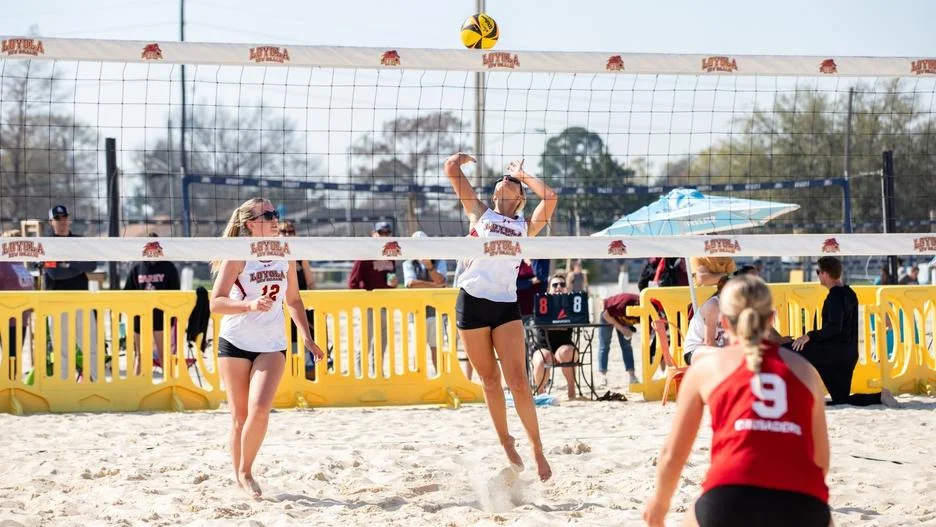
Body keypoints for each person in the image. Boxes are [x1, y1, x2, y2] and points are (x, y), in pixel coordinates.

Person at [644, 275, 832, 527]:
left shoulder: (707, 367)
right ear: (772, 317)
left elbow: (673, 455)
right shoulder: (805, 370)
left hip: (731, 493)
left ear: (724, 322)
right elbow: (821, 459)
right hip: (803, 500)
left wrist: (659, 505)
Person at [445, 152, 557, 482]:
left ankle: (537, 448)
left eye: (513, 184)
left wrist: (523, 174)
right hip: (472, 301)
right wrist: (458, 159)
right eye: (503, 179)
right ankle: (506, 441)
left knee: (519, 383)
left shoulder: (526, 226)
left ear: (521, 197)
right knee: (490, 381)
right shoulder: (479, 213)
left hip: (505, 305)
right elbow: (451, 171)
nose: (506, 181)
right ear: (495, 192)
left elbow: (550, 197)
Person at [209, 198, 324, 498]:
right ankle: (239, 477)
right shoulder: (238, 255)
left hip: (272, 343)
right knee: (239, 417)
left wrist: (307, 338)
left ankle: (246, 471)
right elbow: (216, 302)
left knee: (260, 409)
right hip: (235, 341)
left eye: (276, 214)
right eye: (269, 215)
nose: (276, 219)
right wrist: (248, 305)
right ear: (250, 223)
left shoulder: (284, 253)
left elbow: (294, 300)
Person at [790, 256, 898, 407]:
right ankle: (880, 396)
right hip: (849, 354)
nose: (818, 275)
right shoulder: (849, 293)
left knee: (788, 350)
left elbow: (834, 328)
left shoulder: (835, 296)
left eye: (818, 271)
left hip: (835, 353)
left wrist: (809, 336)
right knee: (841, 400)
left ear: (825, 274)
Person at [41, 205, 100, 380]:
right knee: (62, 348)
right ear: (51, 222)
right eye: (58, 219)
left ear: (69, 219)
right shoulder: (47, 244)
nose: (62, 222)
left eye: (64, 217)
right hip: (57, 301)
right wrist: (76, 265)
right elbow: (54, 273)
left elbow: (92, 265)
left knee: (90, 345)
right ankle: (64, 385)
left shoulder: (79, 241)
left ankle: (96, 382)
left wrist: (67, 263)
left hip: (81, 298)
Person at [123, 233, 180, 374]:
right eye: (149, 246)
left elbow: (175, 293)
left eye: (155, 246)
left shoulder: (168, 267)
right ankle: (136, 388)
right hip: (140, 318)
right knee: (141, 356)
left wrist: (171, 317)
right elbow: (127, 292)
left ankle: (168, 384)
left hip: (161, 318)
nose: (152, 250)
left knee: (164, 355)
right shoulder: (136, 268)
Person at [347, 221, 398, 377]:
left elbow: (390, 280)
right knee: (364, 343)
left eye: (387, 233)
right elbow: (352, 283)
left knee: (381, 345)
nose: (384, 236)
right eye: (381, 233)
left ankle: (378, 375)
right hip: (367, 307)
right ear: (373, 234)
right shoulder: (365, 255)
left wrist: (393, 284)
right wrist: (364, 300)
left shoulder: (391, 254)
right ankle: (360, 376)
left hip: (384, 306)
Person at [402, 230, 447, 373]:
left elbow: (442, 281)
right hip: (416, 314)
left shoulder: (439, 261)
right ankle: (418, 380)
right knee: (418, 350)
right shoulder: (408, 263)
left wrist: (430, 267)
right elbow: (411, 284)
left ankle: (440, 377)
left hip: (435, 312)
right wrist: (434, 285)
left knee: (437, 348)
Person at [280, 220, 320, 379]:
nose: (288, 234)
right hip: (280, 309)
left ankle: (306, 378)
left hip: (299, 306)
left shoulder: (299, 257)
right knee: (286, 346)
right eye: (284, 231)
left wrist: (314, 305)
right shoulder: (271, 256)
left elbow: (310, 282)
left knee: (305, 343)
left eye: (291, 231)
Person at [530, 274, 578, 399]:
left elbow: (582, 320)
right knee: (543, 358)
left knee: (566, 352)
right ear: (548, 289)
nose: (558, 287)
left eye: (562, 285)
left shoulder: (571, 304)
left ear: (566, 289)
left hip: (564, 345)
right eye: (555, 285)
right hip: (542, 346)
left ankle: (571, 391)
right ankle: (541, 394)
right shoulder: (541, 304)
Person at [597, 292, 641, 386]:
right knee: (604, 345)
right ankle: (602, 376)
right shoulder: (624, 304)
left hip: (623, 317)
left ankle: (632, 376)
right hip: (608, 315)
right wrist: (621, 329)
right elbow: (606, 314)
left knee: (627, 346)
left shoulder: (644, 312)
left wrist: (629, 331)